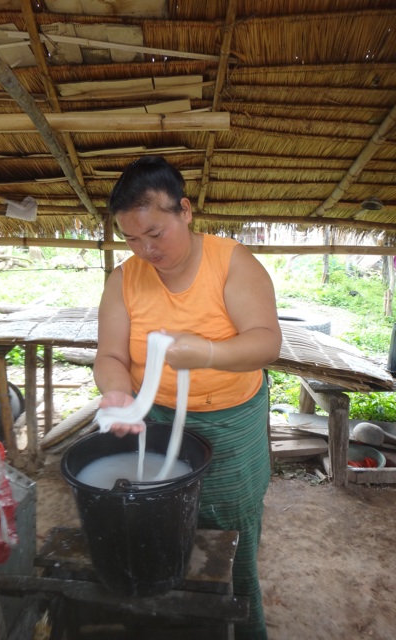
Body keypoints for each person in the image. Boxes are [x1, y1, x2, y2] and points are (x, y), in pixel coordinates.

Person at [93, 155, 282, 639]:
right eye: (132, 239)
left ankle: (243, 626)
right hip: (156, 417)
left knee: (229, 534)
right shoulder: (123, 278)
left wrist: (210, 353)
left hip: (230, 422)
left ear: (186, 210)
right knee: (162, 525)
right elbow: (111, 355)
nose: (145, 250)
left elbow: (265, 341)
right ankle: (177, 623)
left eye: (155, 234)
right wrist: (115, 391)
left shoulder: (232, 263)